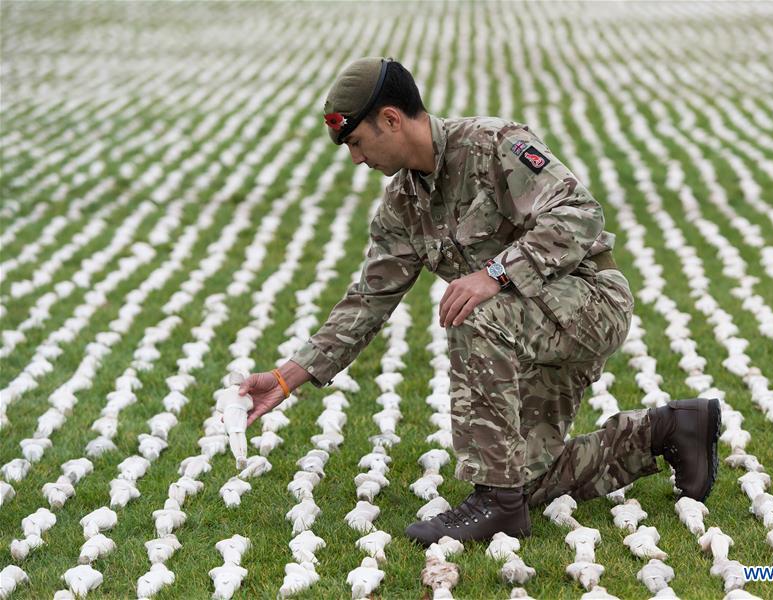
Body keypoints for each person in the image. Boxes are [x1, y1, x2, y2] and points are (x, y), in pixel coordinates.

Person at [237, 57, 721, 546]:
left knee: (473, 311)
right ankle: (670, 430)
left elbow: (580, 213)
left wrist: (494, 274)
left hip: (590, 300)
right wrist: (286, 377)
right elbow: (368, 300)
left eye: (357, 142)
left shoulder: (494, 144)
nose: (356, 160)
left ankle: (494, 503)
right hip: (526, 326)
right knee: (526, 477)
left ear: (390, 119)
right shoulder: (402, 205)